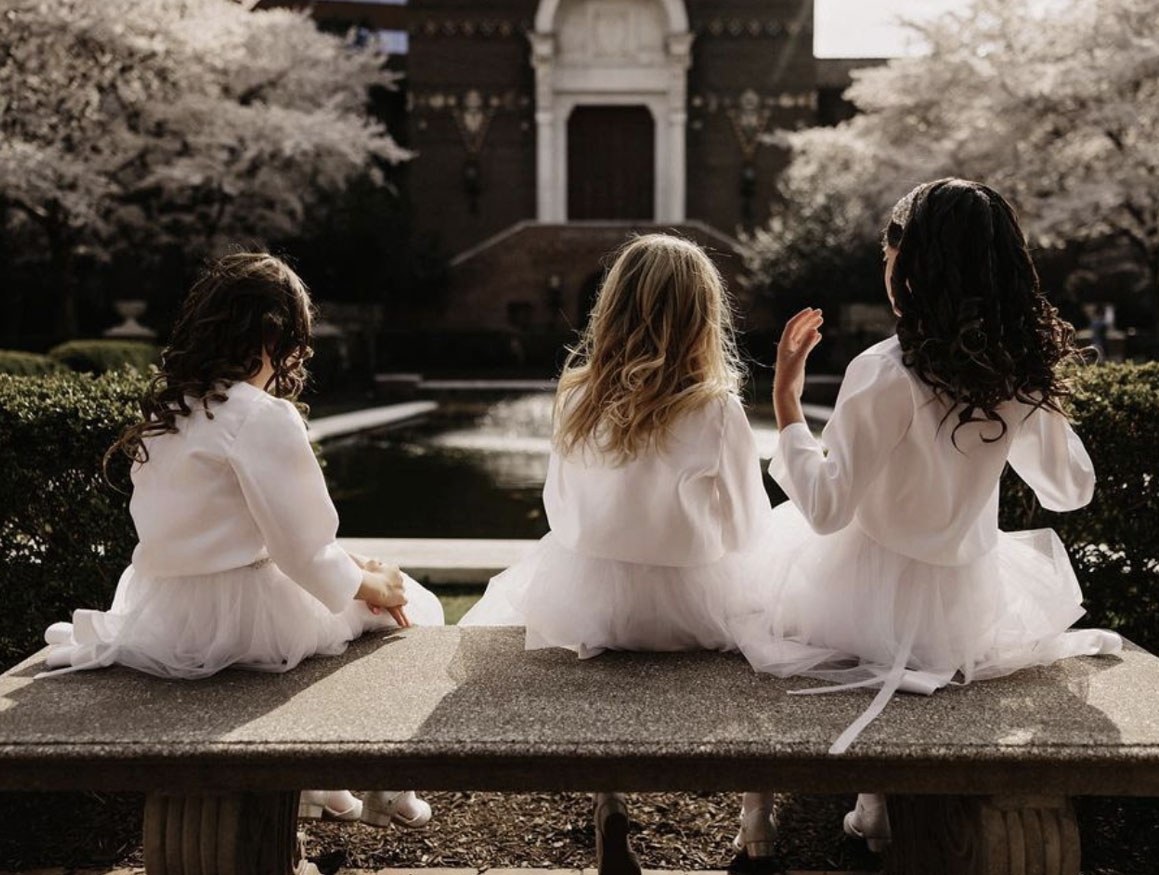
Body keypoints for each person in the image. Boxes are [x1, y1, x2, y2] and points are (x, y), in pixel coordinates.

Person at [739, 179, 1121, 850]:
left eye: (891, 251)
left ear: (909, 268)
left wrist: (787, 402)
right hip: (964, 605)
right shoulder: (1014, 376)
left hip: (850, 590)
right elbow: (1072, 489)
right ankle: (874, 803)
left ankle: (757, 821)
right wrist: (1034, 392)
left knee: (760, 587)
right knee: (892, 657)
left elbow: (826, 510)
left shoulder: (883, 371)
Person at [39, 252, 443, 829]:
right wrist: (375, 582)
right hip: (247, 614)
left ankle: (319, 789)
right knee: (417, 610)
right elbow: (303, 552)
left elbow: (266, 538)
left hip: (168, 610)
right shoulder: (260, 416)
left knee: (356, 595)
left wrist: (353, 568)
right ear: (277, 336)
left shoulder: (174, 411)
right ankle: (388, 786)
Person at [459, 234, 775, 871]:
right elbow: (748, 527)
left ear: (613, 306)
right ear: (701, 318)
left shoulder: (575, 395)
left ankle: (608, 805)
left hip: (591, 607)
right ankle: (758, 823)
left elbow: (560, 508)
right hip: (693, 613)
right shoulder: (716, 409)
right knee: (781, 606)